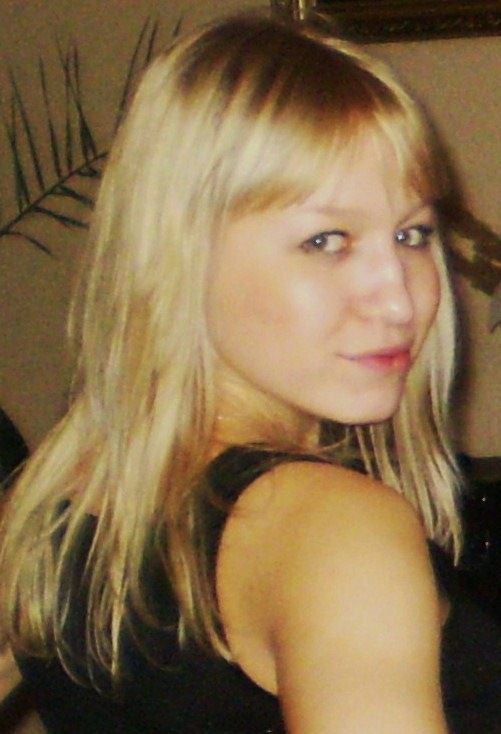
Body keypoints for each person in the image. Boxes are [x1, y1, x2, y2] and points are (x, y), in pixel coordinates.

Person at [1, 12, 501, 734]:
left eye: (411, 233)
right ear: (179, 258)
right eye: (325, 241)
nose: (398, 298)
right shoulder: (332, 528)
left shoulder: (68, 495)